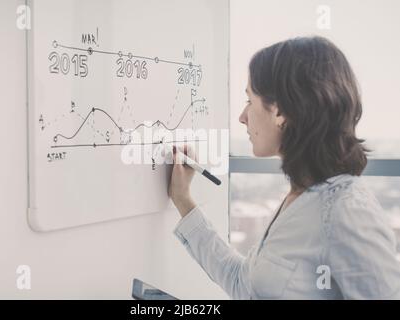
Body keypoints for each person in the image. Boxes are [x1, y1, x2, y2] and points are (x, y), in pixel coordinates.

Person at [168, 36, 400, 299]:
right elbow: (244, 284)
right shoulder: (301, 196)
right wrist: (183, 200)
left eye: (250, 101)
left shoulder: (347, 213)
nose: (242, 117)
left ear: (279, 111)